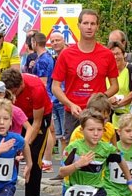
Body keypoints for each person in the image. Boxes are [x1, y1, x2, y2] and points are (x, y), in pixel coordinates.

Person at [51, 9, 119, 137]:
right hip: (74, 113)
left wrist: (100, 97)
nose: (89, 27)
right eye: (85, 23)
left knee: (102, 153)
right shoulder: (66, 54)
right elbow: (55, 87)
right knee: (72, 153)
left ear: (97, 26)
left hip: (99, 114)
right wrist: (70, 104)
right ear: (78, 25)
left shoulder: (107, 54)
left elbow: (115, 86)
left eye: (93, 24)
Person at [1, 68, 51, 196]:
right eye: (9, 93)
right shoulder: (6, 90)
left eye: (15, 92)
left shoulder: (36, 88)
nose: (13, 96)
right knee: (8, 154)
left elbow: (36, 123)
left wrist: (24, 145)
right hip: (15, 116)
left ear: (21, 84)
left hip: (35, 118)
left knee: (34, 157)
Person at [30, 32, 56, 171]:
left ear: (34, 43)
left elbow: (43, 82)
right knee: (49, 128)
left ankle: (47, 159)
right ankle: (46, 159)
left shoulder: (43, 60)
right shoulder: (45, 58)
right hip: (49, 96)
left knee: (47, 129)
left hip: (44, 97)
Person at [107, 41, 132, 125]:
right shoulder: (106, 72)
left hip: (129, 118)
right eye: (112, 54)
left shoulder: (131, 69)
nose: (115, 57)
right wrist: (109, 101)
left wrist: (119, 103)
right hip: (113, 118)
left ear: (123, 54)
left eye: (118, 54)